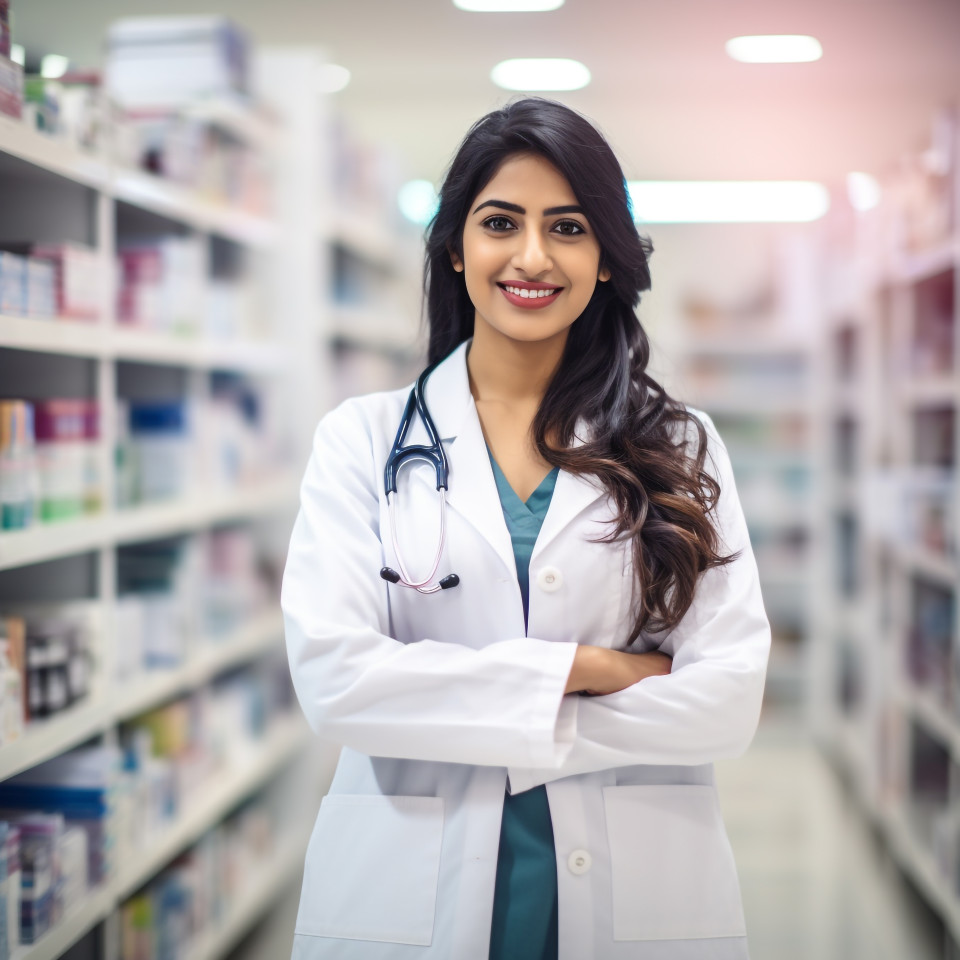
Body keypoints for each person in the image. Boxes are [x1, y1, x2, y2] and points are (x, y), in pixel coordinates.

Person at [282, 98, 770, 960]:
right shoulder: (360, 441)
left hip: (638, 894)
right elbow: (337, 681)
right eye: (500, 222)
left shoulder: (681, 447)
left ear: (608, 259)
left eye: (569, 227)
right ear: (455, 248)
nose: (533, 257)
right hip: (409, 897)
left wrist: (467, 701)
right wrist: (590, 671)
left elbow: (726, 701)